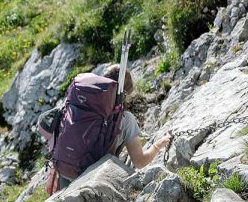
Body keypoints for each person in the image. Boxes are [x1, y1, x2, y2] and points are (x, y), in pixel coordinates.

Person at [51, 64, 174, 192]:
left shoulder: (80, 103)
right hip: (88, 175)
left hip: (63, 167)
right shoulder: (125, 119)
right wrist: (160, 144)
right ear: (124, 93)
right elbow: (140, 161)